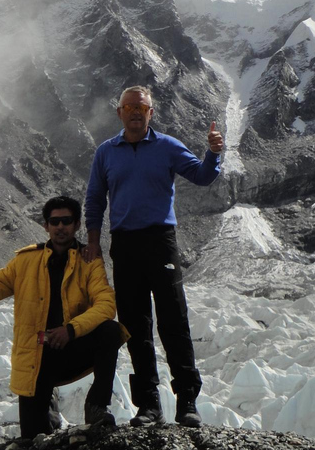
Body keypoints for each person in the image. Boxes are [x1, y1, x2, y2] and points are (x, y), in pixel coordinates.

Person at [83, 86, 224, 427]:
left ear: (151, 113)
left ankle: (187, 402)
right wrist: (93, 241)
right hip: (125, 243)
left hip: (161, 240)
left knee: (173, 320)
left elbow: (203, 176)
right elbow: (95, 198)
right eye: (129, 106)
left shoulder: (167, 146)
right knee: (135, 326)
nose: (135, 112)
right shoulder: (106, 152)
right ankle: (149, 405)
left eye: (141, 107)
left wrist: (214, 153)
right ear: (119, 112)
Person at [0, 196, 128, 439]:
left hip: (71, 347)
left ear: (77, 224)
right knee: (33, 437)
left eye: (66, 221)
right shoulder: (26, 260)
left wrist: (71, 329)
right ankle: (50, 409)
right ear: (45, 226)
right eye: (54, 221)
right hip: (36, 358)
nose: (60, 227)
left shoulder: (89, 262)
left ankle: (97, 405)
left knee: (110, 330)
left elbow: (106, 304)